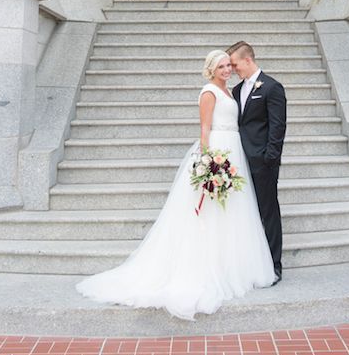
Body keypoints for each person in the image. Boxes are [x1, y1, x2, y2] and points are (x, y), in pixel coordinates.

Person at [76, 50, 275, 320]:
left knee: (232, 211)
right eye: (222, 66)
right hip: (218, 150)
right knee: (211, 212)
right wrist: (209, 162)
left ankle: (231, 265)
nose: (227, 69)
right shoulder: (209, 92)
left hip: (235, 149)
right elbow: (205, 128)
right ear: (211, 69)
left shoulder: (230, 91)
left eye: (229, 65)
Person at [227, 41, 287, 285]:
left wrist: (269, 159)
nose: (232, 69)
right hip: (239, 161)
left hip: (263, 162)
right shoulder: (236, 90)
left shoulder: (272, 87)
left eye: (234, 64)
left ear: (248, 60)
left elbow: (277, 126)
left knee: (267, 212)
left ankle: (274, 265)